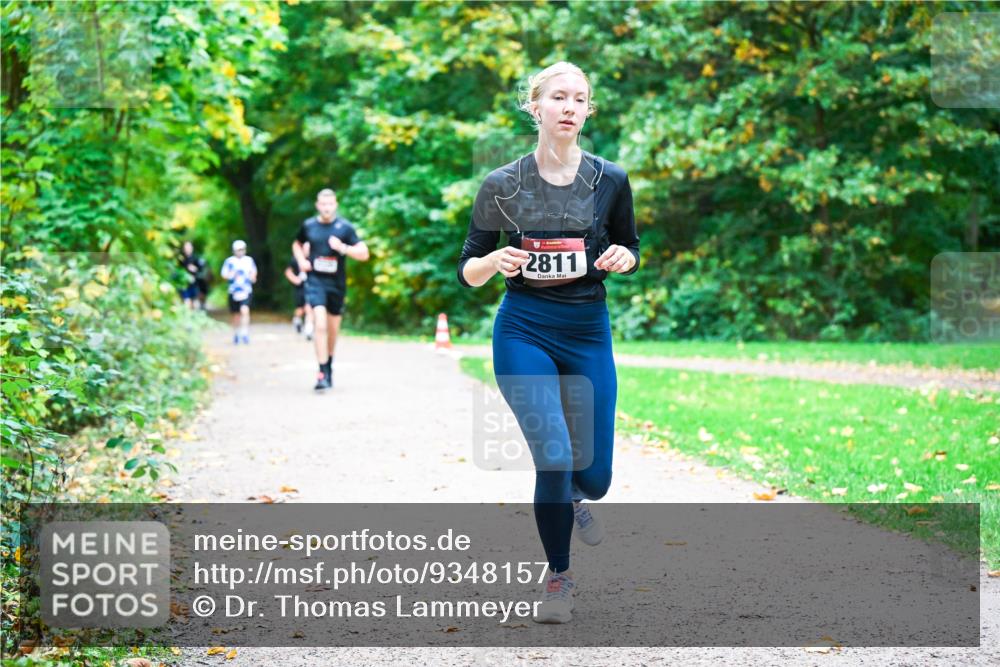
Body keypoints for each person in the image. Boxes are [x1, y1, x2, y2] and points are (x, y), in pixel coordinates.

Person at [456, 62, 639, 624]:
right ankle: (558, 579)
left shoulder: (610, 179)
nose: (569, 107)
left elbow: (631, 248)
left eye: (579, 99)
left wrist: (623, 258)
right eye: (558, 97)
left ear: (587, 111)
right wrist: (493, 259)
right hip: (524, 328)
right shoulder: (502, 184)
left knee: (596, 479)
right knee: (555, 457)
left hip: (587, 329)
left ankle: (577, 500)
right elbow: (468, 267)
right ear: (534, 106)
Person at [292, 188, 370, 391]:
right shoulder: (309, 225)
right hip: (315, 281)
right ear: (318, 205)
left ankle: (329, 365)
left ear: (335, 205)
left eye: (330, 204)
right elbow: (297, 244)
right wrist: (302, 261)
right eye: (323, 204)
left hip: (336, 285)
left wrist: (343, 248)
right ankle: (321, 371)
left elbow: (364, 253)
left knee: (333, 329)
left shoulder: (344, 228)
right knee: (319, 324)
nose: (326, 208)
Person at [221, 239, 258, 345]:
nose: (240, 252)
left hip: (246, 290)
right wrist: (231, 275)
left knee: (245, 310)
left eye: (242, 249)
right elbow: (224, 275)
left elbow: (254, 272)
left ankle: (245, 333)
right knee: (235, 314)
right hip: (233, 291)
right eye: (238, 250)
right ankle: (236, 333)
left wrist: (253, 277)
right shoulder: (229, 261)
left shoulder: (249, 260)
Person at [284, 251, 314, 340]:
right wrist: (295, 279)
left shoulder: (314, 257)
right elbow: (288, 271)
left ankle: (309, 330)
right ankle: (297, 320)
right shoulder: (295, 259)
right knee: (300, 309)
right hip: (300, 288)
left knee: (309, 308)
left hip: (312, 287)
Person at [177, 241, 206, 310]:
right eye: (186, 247)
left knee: (192, 301)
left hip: (193, 282)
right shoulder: (181, 258)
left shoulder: (196, 258)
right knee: (186, 301)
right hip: (184, 283)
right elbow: (178, 269)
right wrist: (186, 268)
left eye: (189, 247)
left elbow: (201, 270)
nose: (188, 248)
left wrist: (195, 269)